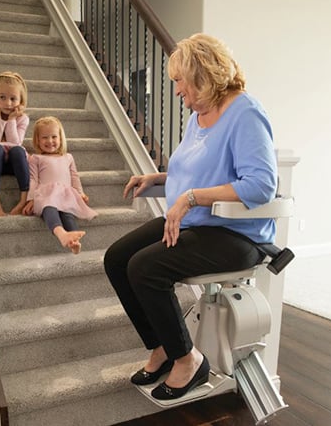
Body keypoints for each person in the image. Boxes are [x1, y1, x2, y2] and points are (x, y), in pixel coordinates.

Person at [103, 33, 278, 401]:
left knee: (145, 267)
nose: (177, 90)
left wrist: (191, 197)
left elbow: (261, 184)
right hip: (199, 224)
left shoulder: (245, 112)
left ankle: (188, 360)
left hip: (238, 235)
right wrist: (162, 179)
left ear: (202, 73)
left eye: (180, 81)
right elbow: (203, 171)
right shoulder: (197, 118)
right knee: (117, 259)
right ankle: (163, 346)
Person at [22, 116, 97, 254]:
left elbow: (74, 176)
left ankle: (74, 242)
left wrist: (80, 193)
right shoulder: (36, 158)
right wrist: (30, 199)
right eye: (44, 137)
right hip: (46, 194)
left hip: (65, 194)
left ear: (60, 138)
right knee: (49, 209)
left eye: (54, 137)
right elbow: (33, 179)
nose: (50, 141)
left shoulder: (68, 157)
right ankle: (61, 234)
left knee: (68, 214)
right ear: (37, 140)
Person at [0, 71, 30, 216]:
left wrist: (11, 119)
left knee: (18, 151)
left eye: (13, 98)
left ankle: (23, 200)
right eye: (2, 97)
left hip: (14, 164)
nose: (8, 103)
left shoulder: (22, 119)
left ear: (20, 101)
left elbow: (15, 142)